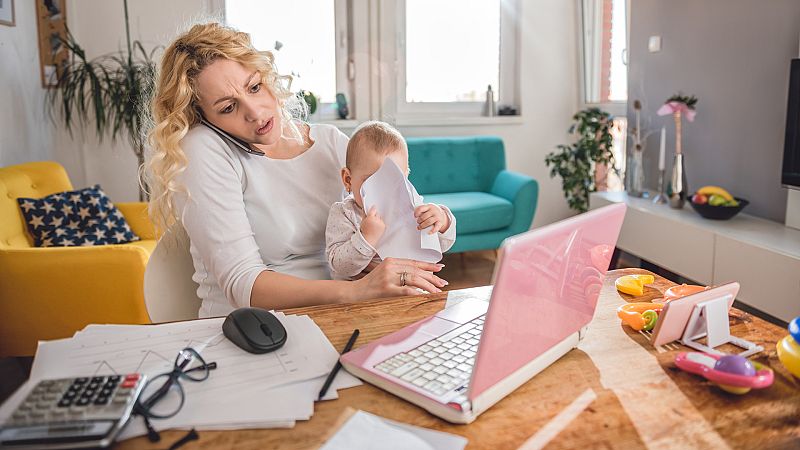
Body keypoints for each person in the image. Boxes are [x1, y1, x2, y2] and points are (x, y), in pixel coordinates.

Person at [145, 23, 447, 318]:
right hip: (254, 329)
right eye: (228, 108)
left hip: (343, 315)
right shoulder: (204, 148)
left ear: (267, 77)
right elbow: (243, 283)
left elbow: (405, 217)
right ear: (205, 119)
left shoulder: (330, 142)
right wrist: (358, 291)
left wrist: (426, 230)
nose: (255, 112)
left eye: (254, 87)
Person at [326, 121, 455, 280]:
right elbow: (340, 266)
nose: (383, 191)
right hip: (363, 296)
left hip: (412, 288)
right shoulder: (345, 213)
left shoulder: (413, 207)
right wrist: (366, 237)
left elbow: (443, 245)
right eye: (371, 181)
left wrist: (442, 221)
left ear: (406, 176)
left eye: (394, 180)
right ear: (348, 180)